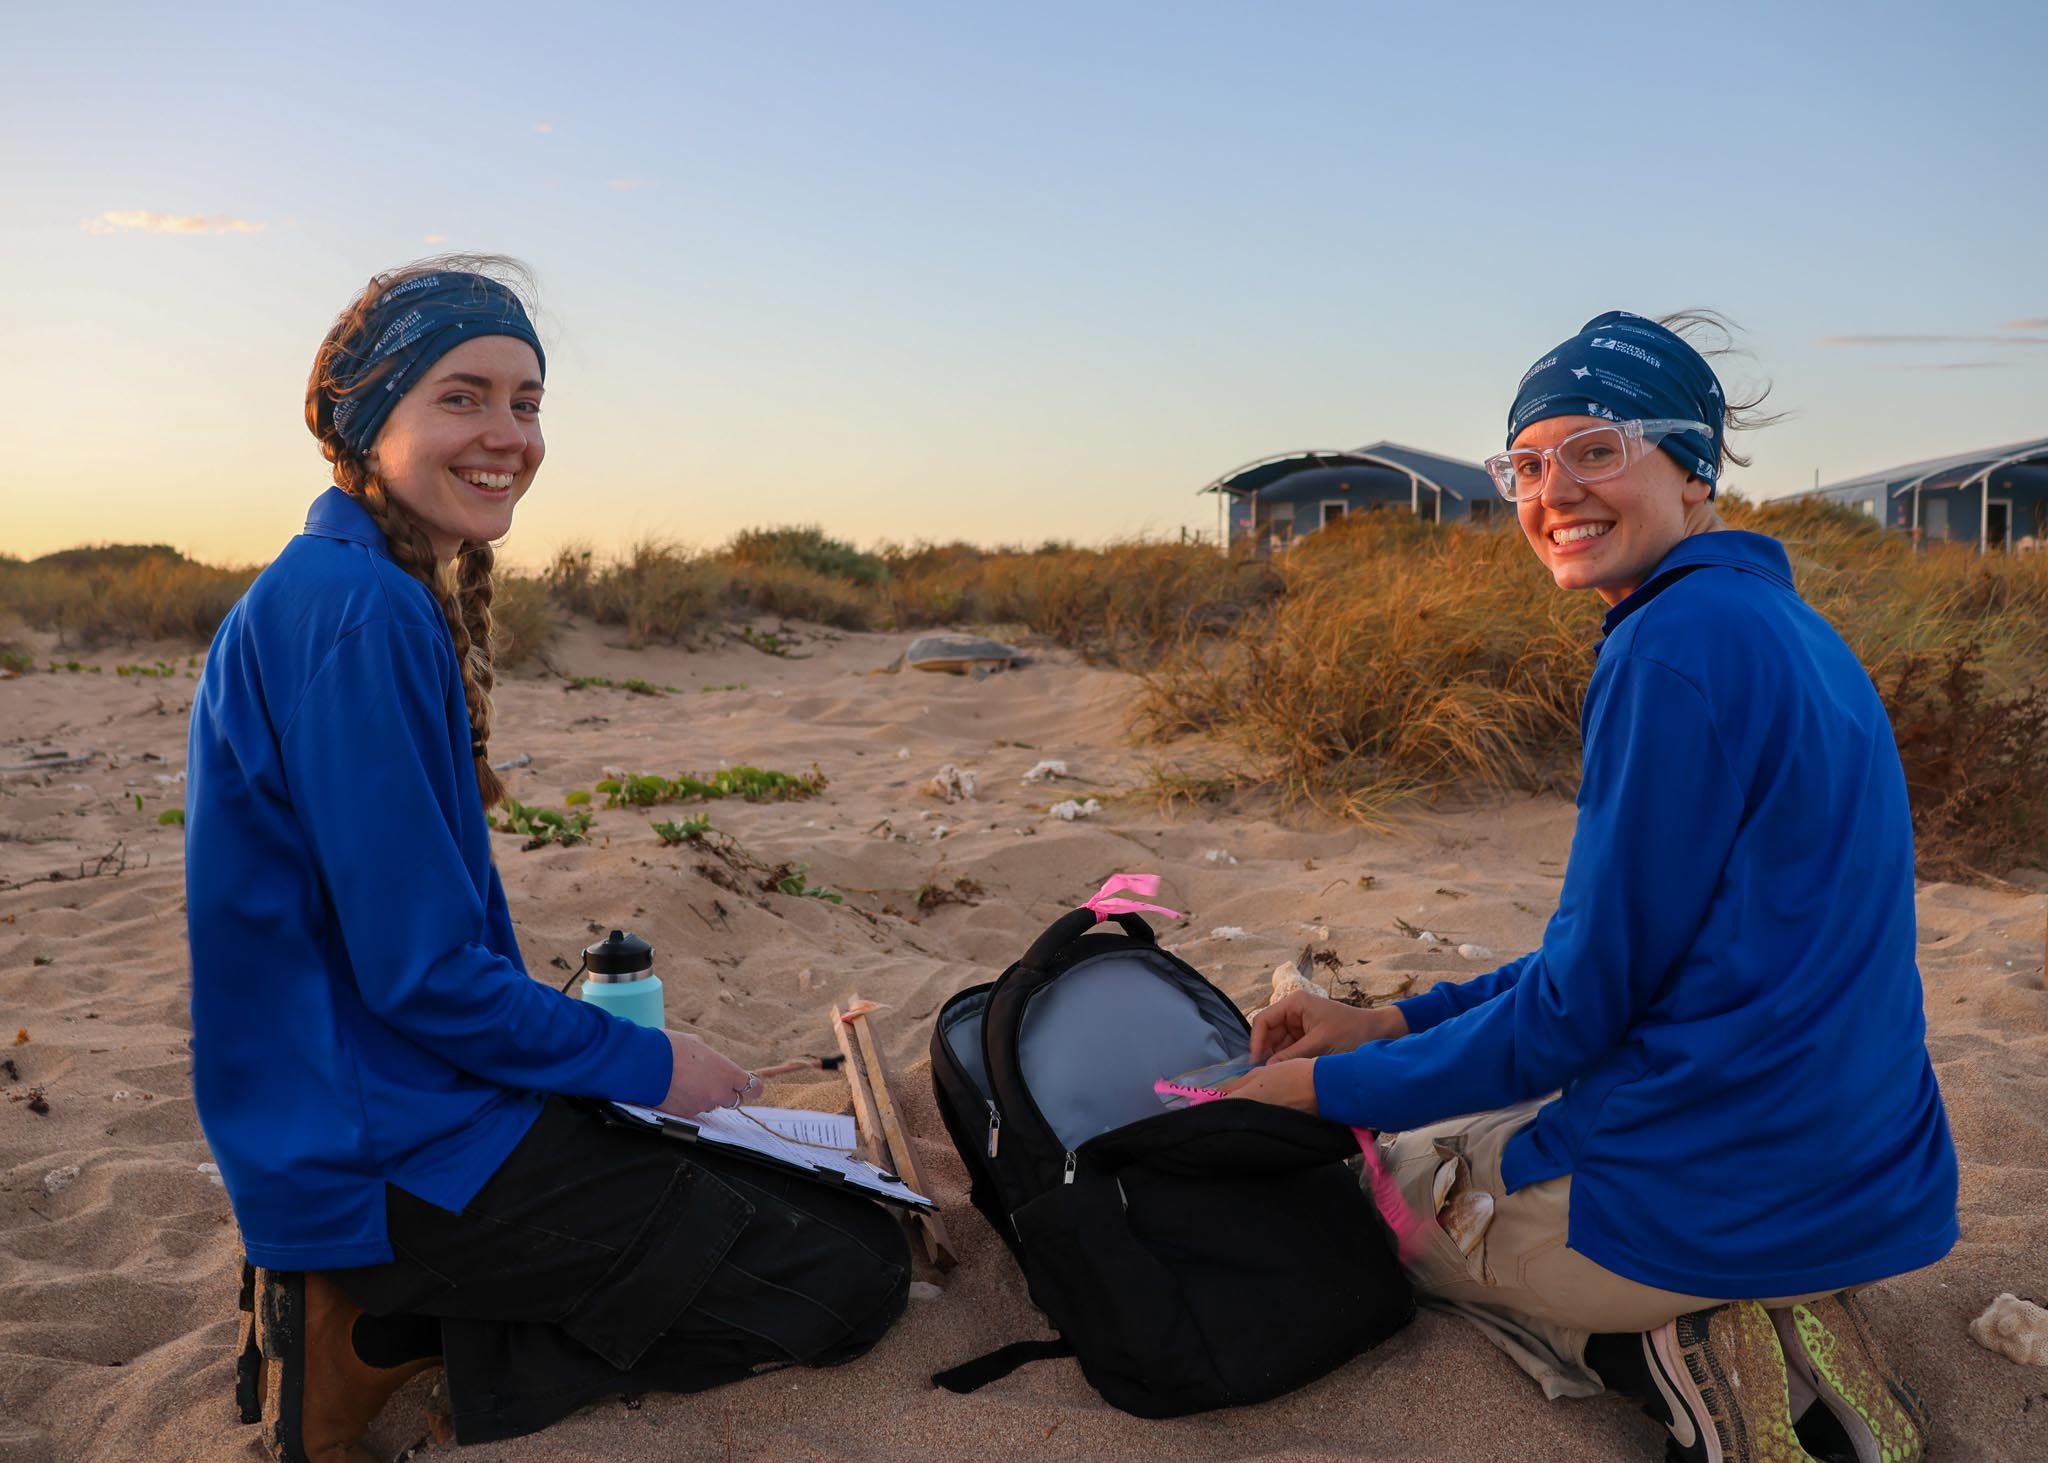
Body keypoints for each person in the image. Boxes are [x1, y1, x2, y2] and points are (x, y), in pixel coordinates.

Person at [184, 257, 908, 1461]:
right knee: (848, 1274)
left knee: (804, 1203)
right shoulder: (355, 612)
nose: (506, 434)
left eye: (525, 402)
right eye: (461, 397)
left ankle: (394, 1302)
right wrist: (644, 1062)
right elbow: (420, 977)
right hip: (388, 1151)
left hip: (400, 1107)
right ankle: (381, 1331)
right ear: (371, 415)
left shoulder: (349, 586)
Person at [1228, 311, 1958, 1463]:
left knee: (1382, 1189)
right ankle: (1772, 1315)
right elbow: (1626, 962)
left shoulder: (1666, 651)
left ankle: (1666, 1347)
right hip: (1867, 1177)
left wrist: (1326, 1094)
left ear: (1692, 466)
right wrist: (1380, 1023)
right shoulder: (1787, 626)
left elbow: (1573, 1013)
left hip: (1715, 1198)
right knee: (1452, 1100)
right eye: (1524, 462)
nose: (1551, 489)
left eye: (1595, 450)